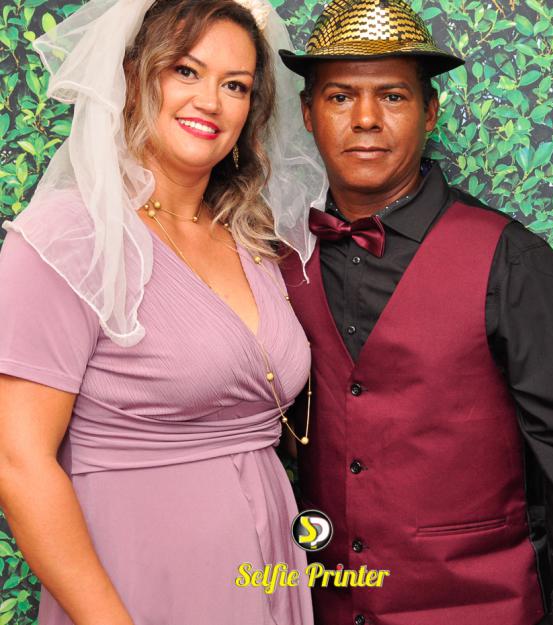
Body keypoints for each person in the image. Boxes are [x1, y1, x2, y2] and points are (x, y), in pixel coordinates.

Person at [277, 0, 553, 624]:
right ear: (308, 113)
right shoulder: (277, 259)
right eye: (339, 97)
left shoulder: (514, 262)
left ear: (430, 111)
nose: (365, 119)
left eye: (392, 96)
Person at [0, 0, 323, 623]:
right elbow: (18, 463)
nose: (211, 101)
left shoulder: (252, 239)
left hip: (267, 571)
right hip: (136, 586)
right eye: (185, 71)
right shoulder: (69, 237)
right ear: (132, 76)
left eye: (235, 85)